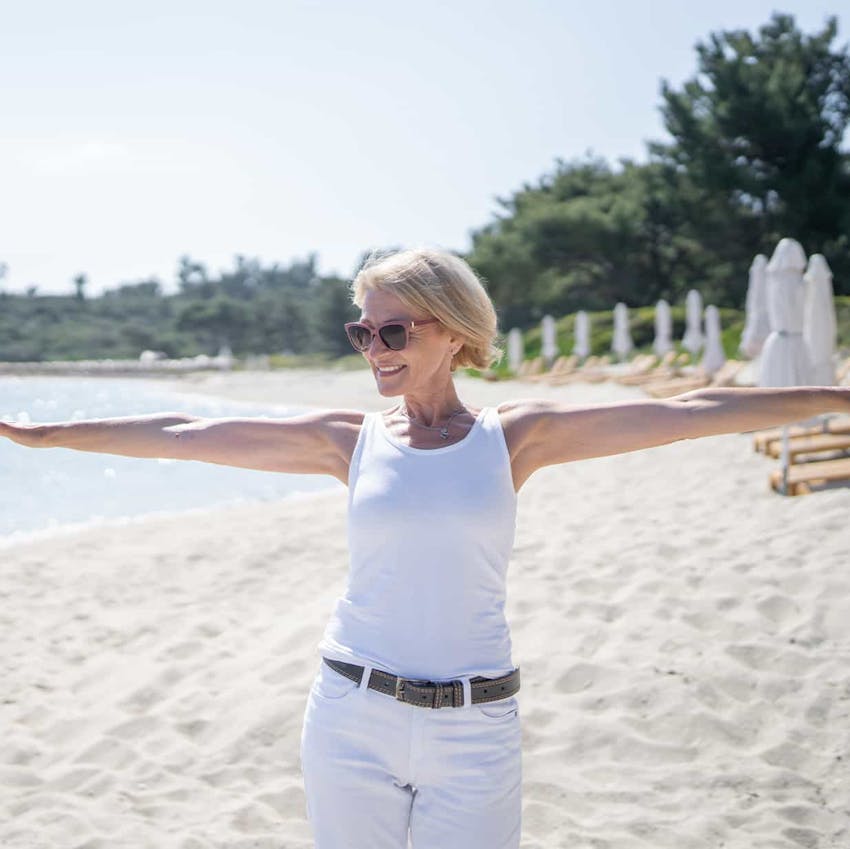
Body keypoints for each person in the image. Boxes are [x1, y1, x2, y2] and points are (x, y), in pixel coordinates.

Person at [1, 247, 848, 849]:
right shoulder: (348, 440)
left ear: (449, 332)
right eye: (361, 333)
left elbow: (697, 410)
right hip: (350, 718)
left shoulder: (519, 438)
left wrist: (836, 396)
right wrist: (49, 438)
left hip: (477, 727)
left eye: (392, 332)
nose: (374, 350)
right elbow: (186, 429)